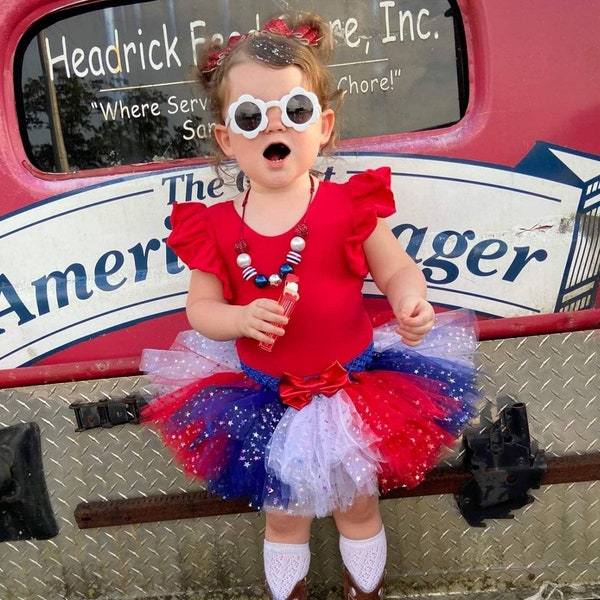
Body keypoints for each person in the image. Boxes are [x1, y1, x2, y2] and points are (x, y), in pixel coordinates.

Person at [141, 12, 479, 600]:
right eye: (252, 117)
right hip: (264, 395)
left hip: (354, 390)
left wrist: (410, 301)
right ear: (227, 137)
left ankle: (363, 593)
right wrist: (240, 318)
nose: (276, 128)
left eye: (294, 112)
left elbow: (395, 266)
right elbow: (201, 308)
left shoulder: (349, 206)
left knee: (357, 508)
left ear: (321, 126)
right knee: (284, 518)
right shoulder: (215, 228)